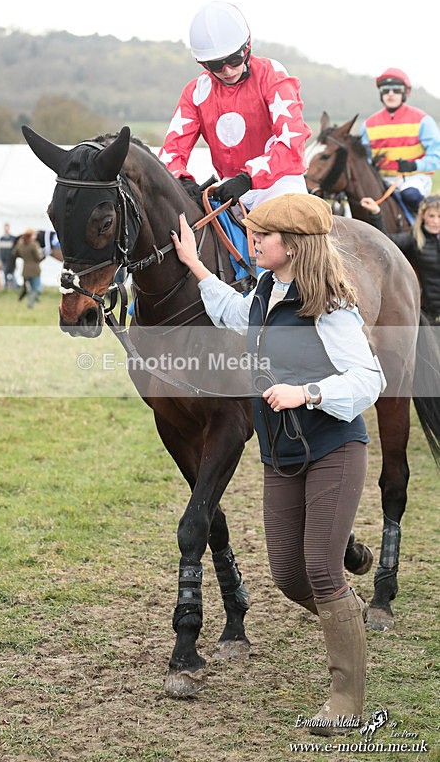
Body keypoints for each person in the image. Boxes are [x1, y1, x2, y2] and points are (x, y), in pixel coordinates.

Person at [170, 193, 386, 735]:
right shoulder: (267, 290)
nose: (252, 242)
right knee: (289, 577)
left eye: (260, 235)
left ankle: (345, 701)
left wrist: (307, 392)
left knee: (319, 567)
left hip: (333, 448)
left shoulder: (331, 306)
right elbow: (236, 313)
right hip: (280, 454)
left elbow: (369, 380)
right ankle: (350, 620)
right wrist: (195, 265)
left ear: (291, 245)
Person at [158, 1, 311, 210]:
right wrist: (180, 179)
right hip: (228, 189)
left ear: (247, 48)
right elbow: (170, 152)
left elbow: (292, 140)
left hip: (280, 184)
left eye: (234, 60)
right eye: (216, 65)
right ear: (203, 64)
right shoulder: (196, 91)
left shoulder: (271, 74)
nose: (228, 71)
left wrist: (248, 178)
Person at [359, 68, 440, 216]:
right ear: (381, 94)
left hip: (414, 178)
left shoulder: (423, 120)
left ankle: (426, 234)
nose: (390, 94)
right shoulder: (367, 125)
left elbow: (437, 157)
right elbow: (365, 159)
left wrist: (414, 165)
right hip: (382, 180)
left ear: (405, 93)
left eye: (396, 90)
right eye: (386, 90)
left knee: (410, 195)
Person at [361, 193, 440, 323]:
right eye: (432, 216)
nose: (436, 221)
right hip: (430, 311)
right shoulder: (414, 239)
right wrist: (376, 214)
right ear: (423, 216)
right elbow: (385, 241)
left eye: (439, 216)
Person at [12, 228, 44, 308]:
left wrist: (23, 257)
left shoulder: (20, 243)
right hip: (35, 269)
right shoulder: (34, 244)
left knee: (29, 287)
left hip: (25, 269)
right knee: (37, 288)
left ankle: (30, 299)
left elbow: (15, 253)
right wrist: (44, 255)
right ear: (31, 235)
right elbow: (38, 258)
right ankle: (30, 303)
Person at [0, 222, 17, 289]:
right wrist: (0, 260)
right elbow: (0, 250)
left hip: (11, 260)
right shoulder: (1, 238)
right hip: (4, 260)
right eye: (5, 228)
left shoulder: (13, 238)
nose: (6, 229)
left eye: (7, 227)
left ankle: (15, 288)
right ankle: (6, 288)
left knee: (12, 274)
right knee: (4, 275)